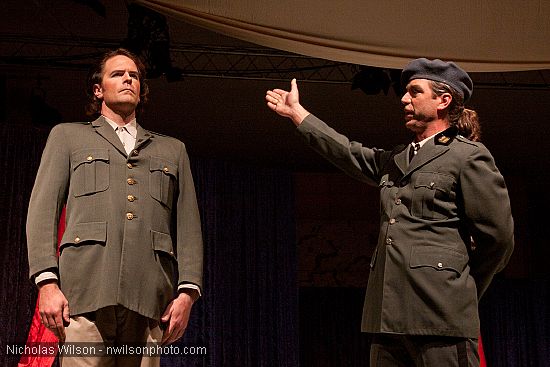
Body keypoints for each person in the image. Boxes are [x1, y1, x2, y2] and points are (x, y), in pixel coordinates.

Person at [266, 58, 514, 366]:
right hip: (388, 321)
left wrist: (458, 287)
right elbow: (347, 152)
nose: (404, 99)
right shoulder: (397, 159)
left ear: (443, 100)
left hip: (441, 319)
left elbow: (499, 240)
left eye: (414, 91)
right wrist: (298, 114)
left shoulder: (467, 156)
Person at [26, 48, 203, 366]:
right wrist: (47, 282)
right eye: (118, 74)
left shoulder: (172, 150)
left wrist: (188, 293)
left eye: (134, 75)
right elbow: (41, 212)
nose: (128, 79)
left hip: (149, 296)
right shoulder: (68, 137)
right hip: (85, 292)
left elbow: (189, 227)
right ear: (98, 89)